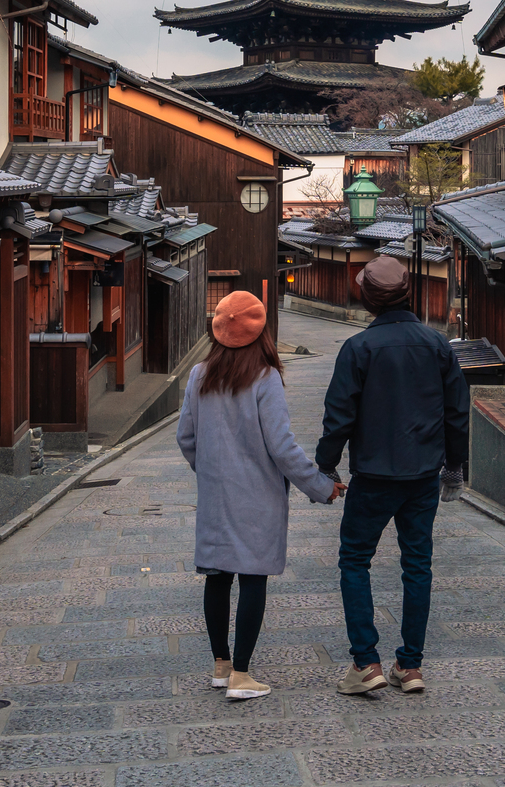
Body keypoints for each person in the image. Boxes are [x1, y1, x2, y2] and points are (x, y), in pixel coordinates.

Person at [177, 290, 343, 701]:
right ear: (260, 331)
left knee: (217, 575)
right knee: (252, 576)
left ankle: (221, 665)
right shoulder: (265, 377)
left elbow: (186, 437)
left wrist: (212, 472)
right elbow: (283, 447)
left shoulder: (199, 375)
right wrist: (322, 487)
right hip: (258, 496)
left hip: (217, 494)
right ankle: (242, 674)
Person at [316, 253, 469, 696]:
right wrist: (454, 467)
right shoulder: (436, 344)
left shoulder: (359, 348)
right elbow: (457, 413)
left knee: (354, 560)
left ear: (368, 299)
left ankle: (366, 662)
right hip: (422, 475)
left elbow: (339, 415)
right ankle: (411, 665)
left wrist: (325, 466)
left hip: (374, 476)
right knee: (417, 565)